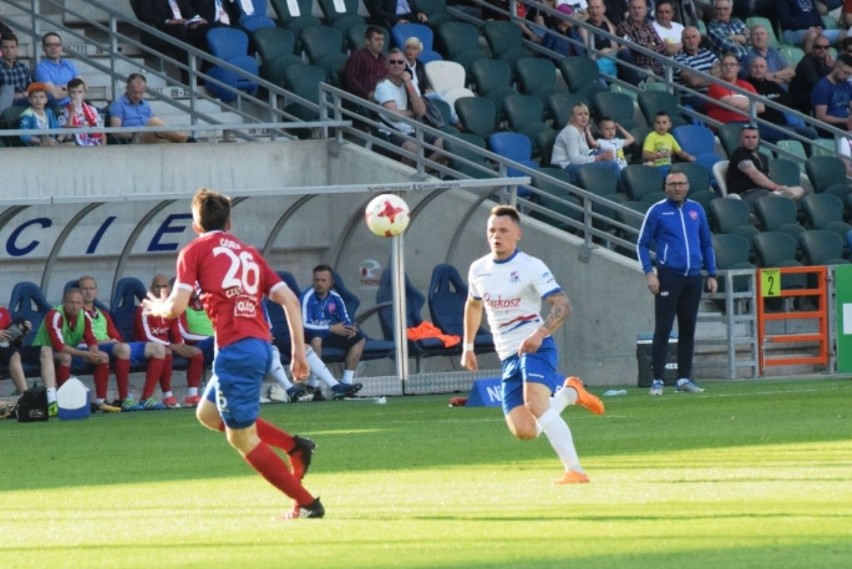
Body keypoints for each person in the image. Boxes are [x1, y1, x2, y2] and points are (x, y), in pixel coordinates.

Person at [142, 187, 324, 520]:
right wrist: (298, 352)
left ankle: (309, 503)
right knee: (208, 415)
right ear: (229, 222)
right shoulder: (249, 252)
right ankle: (295, 446)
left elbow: (176, 307)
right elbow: (291, 302)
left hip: (236, 350)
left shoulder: (194, 251)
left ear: (196, 225)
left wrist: (158, 309)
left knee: (240, 438)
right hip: (256, 345)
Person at [462, 205, 605, 485]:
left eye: (503, 230)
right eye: (492, 230)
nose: (496, 236)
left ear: (518, 234)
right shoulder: (478, 269)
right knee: (525, 431)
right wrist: (467, 345)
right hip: (507, 355)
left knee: (535, 403)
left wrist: (539, 333)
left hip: (535, 346)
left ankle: (575, 470)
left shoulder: (530, 266)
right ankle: (569, 395)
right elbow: (473, 305)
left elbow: (563, 305)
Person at [636, 171, 717, 396]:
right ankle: (658, 380)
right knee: (663, 328)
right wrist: (649, 273)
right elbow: (642, 243)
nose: (677, 188)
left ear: (688, 186)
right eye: (673, 184)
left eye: (681, 183)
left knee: (688, 329)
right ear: (666, 187)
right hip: (668, 274)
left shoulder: (697, 209)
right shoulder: (657, 210)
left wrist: (711, 273)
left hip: (693, 276)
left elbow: (706, 243)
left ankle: (683, 378)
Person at [78, 275, 169, 410]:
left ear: (96, 291)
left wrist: (112, 341)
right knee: (123, 349)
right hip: (91, 348)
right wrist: (107, 341)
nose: (88, 292)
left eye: (91, 288)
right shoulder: (75, 313)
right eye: (84, 289)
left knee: (159, 349)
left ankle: (146, 398)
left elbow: (116, 336)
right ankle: (124, 398)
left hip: (112, 346)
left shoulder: (102, 313)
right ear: (78, 292)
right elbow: (80, 339)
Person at [32, 288, 121, 413]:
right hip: (42, 351)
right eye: (71, 302)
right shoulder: (55, 315)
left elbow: (90, 339)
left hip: (69, 350)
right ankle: (63, 400)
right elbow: (59, 346)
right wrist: (85, 353)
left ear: (83, 304)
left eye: (78, 303)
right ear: (64, 302)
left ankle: (101, 401)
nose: (75, 306)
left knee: (103, 357)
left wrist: (94, 352)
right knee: (65, 357)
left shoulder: (84, 316)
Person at [135, 274, 206, 408]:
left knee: (196, 352)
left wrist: (180, 344)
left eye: (164, 286)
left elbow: (176, 329)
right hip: (147, 347)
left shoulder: (172, 309)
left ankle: (192, 395)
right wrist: (172, 345)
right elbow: (147, 336)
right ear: (151, 288)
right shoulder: (143, 308)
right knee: (165, 351)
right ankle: (167, 396)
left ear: (169, 289)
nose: (161, 290)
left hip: (169, 346)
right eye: (157, 286)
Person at [301, 264, 365, 398]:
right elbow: (304, 325)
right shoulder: (307, 297)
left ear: (331, 282)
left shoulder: (336, 298)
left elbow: (345, 320)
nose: (319, 283)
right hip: (311, 334)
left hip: (332, 333)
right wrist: (330, 328)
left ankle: (346, 382)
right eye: (316, 280)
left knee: (359, 339)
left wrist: (350, 328)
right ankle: (313, 386)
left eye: (323, 280)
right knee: (317, 341)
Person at [374, 48, 445, 165]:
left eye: (400, 62)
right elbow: (394, 116)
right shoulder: (383, 86)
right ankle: (404, 180)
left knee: (444, 146)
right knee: (413, 150)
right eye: (392, 62)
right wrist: (411, 113)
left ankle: (424, 171)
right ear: (386, 65)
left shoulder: (410, 83)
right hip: (392, 131)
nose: (396, 65)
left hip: (412, 129)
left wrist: (409, 85)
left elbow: (421, 111)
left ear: (404, 65)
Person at [724, 124, 806, 203]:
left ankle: (782, 198)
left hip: (764, 192)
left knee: (799, 189)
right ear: (741, 139)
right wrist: (776, 187)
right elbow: (754, 174)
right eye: (747, 137)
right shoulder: (740, 153)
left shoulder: (763, 157)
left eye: (754, 137)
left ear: (758, 139)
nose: (751, 140)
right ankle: (781, 199)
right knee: (782, 195)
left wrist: (783, 190)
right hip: (746, 194)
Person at [744, 56, 819, 141]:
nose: (758, 69)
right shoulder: (746, 85)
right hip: (764, 124)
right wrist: (775, 103)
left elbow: (788, 99)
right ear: (749, 69)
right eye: (755, 66)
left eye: (762, 66)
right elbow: (757, 108)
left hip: (782, 122)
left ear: (767, 70)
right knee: (790, 133)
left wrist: (767, 104)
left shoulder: (771, 84)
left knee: (811, 133)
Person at [0, 307, 58, 416]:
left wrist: (21, 332)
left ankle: (52, 402)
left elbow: (13, 342)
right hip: (6, 353)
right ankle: (27, 400)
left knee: (46, 350)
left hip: (9, 348)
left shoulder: (3, 311)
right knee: (14, 354)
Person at [108, 73, 193, 143]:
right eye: (134, 92)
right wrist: (135, 133)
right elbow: (115, 132)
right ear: (127, 88)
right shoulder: (118, 105)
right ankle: (186, 139)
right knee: (154, 121)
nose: (137, 96)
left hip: (151, 136)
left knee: (167, 141)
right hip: (135, 137)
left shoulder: (146, 105)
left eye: (141, 93)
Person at [552, 102, 621, 182]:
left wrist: (599, 155)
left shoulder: (580, 131)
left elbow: (584, 154)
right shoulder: (571, 131)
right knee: (613, 165)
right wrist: (598, 157)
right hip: (566, 168)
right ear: (572, 117)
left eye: (586, 114)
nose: (584, 117)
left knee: (611, 160)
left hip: (576, 165)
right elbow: (574, 159)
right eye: (580, 114)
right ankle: (625, 191)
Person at [706, 53, 769, 134]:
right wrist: (749, 102)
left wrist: (737, 103)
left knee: (779, 133)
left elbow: (761, 107)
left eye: (732, 64)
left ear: (738, 68)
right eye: (725, 65)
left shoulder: (746, 85)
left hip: (748, 124)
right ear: (721, 68)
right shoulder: (716, 85)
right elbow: (730, 103)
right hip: (727, 126)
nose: (728, 67)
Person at [616, 0, 667, 86]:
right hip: (639, 68)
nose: (637, 11)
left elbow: (661, 46)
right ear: (629, 9)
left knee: (673, 82)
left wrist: (651, 46)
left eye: (640, 8)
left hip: (657, 68)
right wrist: (648, 46)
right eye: (634, 8)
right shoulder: (623, 26)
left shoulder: (648, 24)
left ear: (645, 10)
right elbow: (634, 47)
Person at [673, 26, 721, 112]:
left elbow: (723, 71)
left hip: (712, 94)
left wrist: (702, 78)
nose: (691, 41)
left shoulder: (707, 53)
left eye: (693, 37)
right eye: (687, 38)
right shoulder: (679, 58)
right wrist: (712, 72)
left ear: (699, 39)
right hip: (691, 97)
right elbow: (694, 81)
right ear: (682, 41)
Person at [742, 25, 796, 92]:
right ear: (750, 39)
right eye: (755, 34)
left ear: (767, 37)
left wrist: (774, 75)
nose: (759, 37)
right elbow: (766, 79)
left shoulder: (774, 51)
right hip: (769, 95)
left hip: (785, 93)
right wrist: (785, 78)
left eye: (762, 34)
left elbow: (791, 72)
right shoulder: (751, 57)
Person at [790, 36, 836, 114]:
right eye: (818, 47)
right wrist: (828, 69)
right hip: (802, 101)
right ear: (812, 48)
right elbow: (818, 86)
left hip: (815, 97)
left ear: (829, 49)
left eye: (825, 47)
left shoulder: (826, 61)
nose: (822, 50)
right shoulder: (807, 63)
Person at [33, 32, 80, 107]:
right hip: (60, 108)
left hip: (79, 104)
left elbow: (84, 86)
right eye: (49, 45)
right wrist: (75, 90)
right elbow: (55, 95)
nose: (53, 48)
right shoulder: (41, 69)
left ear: (61, 47)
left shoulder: (69, 64)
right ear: (43, 48)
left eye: (57, 45)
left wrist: (63, 88)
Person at [778, 0, 846, 51]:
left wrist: (820, 26)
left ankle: (842, 64)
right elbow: (786, 21)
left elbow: (817, 15)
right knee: (813, 35)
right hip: (792, 32)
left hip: (813, 30)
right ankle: (810, 65)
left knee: (845, 34)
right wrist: (808, 27)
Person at [58, 78, 107, 147]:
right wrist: (71, 112)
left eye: (79, 92)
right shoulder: (63, 110)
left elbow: (101, 130)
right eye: (73, 92)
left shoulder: (92, 109)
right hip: (75, 143)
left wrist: (103, 147)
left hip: (94, 142)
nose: (76, 95)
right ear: (68, 94)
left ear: (84, 93)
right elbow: (67, 133)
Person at [811, 54, 852, 134]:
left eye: (849, 74)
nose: (847, 77)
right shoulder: (822, 87)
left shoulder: (846, 84)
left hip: (846, 122)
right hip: (829, 126)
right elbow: (821, 117)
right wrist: (845, 121)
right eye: (845, 73)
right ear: (836, 67)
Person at [344, 25, 387, 101]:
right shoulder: (358, 55)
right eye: (377, 39)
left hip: (381, 97)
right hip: (362, 99)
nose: (381, 43)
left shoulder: (383, 59)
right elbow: (351, 79)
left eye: (382, 40)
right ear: (367, 41)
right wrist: (367, 94)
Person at [580, 0, 619, 78]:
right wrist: (600, 53)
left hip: (612, 59)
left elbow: (616, 48)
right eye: (592, 8)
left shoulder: (607, 25)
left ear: (604, 9)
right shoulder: (584, 27)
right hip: (598, 63)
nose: (595, 11)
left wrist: (607, 51)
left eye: (598, 7)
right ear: (587, 10)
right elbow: (589, 53)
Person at [18, 82, 66, 147]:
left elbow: (56, 128)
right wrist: (41, 142)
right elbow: (23, 135)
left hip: (51, 144)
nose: (38, 100)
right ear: (29, 100)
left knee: (72, 144)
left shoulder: (49, 112)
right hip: (36, 147)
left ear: (46, 100)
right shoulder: (27, 115)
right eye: (35, 97)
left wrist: (58, 140)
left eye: (41, 97)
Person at [0, 33, 32, 112]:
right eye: (5, 47)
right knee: (7, 88)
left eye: (12, 47)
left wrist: (22, 95)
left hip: (24, 100)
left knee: (47, 96)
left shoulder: (22, 67)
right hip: (5, 103)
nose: (9, 50)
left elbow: (31, 87)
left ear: (17, 48)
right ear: (1, 49)